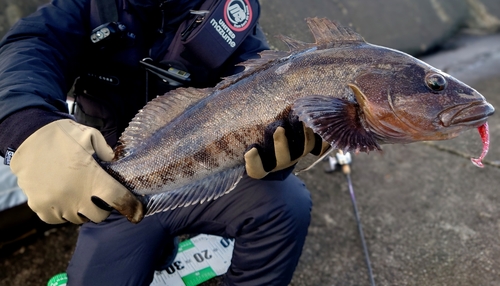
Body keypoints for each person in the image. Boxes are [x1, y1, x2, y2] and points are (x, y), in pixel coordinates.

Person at [0, 0, 324, 285]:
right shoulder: (88, 6)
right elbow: (32, 44)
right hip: (116, 191)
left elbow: (264, 75)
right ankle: (156, 251)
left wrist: (284, 142)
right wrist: (27, 124)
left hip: (200, 177)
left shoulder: (231, 17)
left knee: (286, 201)